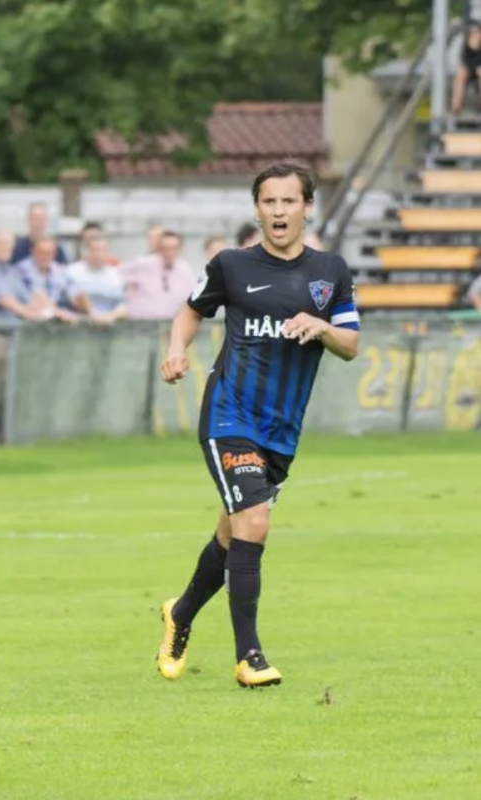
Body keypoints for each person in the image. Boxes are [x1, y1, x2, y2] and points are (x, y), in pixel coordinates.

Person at [156, 162, 361, 688]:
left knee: (233, 533)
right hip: (229, 415)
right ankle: (250, 656)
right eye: (269, 202)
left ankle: (180, 612)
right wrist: (177, 351)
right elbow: (189, 312)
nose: (278, 211)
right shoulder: (230, 265)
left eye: (288, 202)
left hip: (281, 431)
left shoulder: (331, 272)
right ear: (257, 208)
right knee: (254, 522)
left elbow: (351, 345)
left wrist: (321, 327)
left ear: (306, 207)